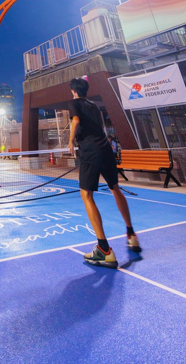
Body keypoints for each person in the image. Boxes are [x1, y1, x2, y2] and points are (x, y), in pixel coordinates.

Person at [68, 77, 141, 268]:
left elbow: (76, 120)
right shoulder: (93, 105)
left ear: (74, 91)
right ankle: (131, 234)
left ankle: (104, 249)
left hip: (90, 152)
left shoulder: (74, 103)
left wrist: (70, 141)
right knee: (115, 187)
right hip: (105, 149)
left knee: (86, 195)